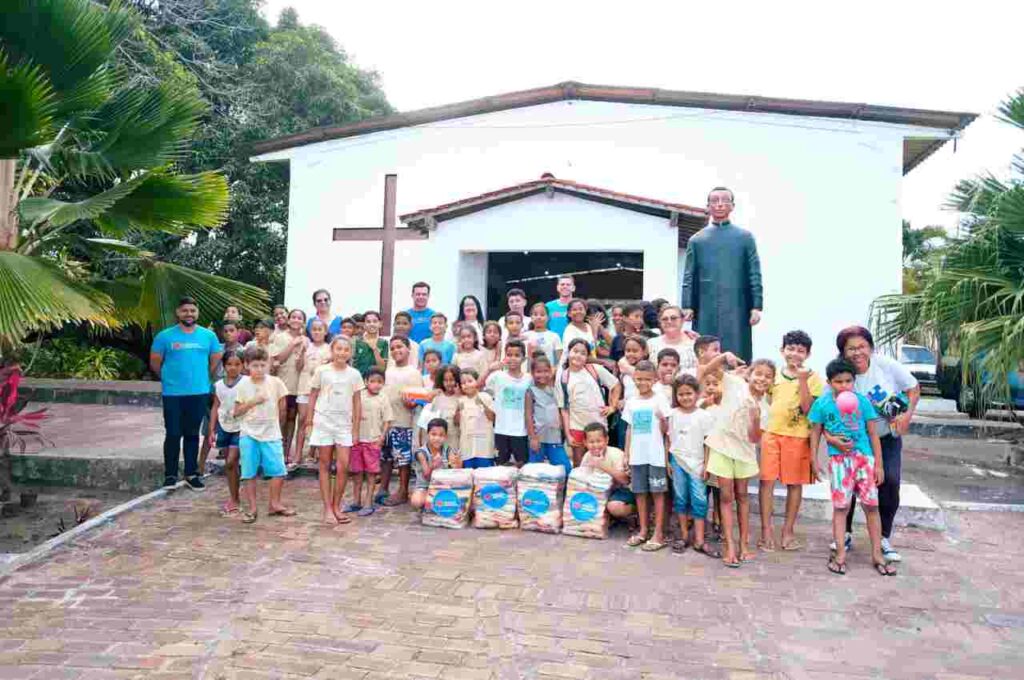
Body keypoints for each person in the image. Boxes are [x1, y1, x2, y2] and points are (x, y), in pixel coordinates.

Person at [836, 326, 920, 563]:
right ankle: (845, 533)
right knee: (849, 483)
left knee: (890, 481)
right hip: (854, 441)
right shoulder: (840, 372)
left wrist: (906, 416)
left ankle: (884, 538)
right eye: (850, 348)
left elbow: (913, 389)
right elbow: (827, 402)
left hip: (887, 437)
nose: (857, 352)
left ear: (870, 348)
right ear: (843, 353)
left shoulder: (886, 366)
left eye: (861, 346)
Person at [810, 358, 895, 576]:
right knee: (841, 508)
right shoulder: (822, 403)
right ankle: (840, 554)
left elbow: (873, 434)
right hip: (839, 462)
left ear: (854, 382)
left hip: (864, 460)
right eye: (838, 382)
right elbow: (816, 432)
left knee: (872, 507)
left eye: (848, 381)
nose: (844, 385)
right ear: (830, 382)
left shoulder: (863, 402)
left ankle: (877, 554)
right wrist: (813, 459)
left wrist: (879, 465)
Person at [680, 187, 764, 362]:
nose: (719, 205)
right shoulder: (697, 240)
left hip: (738, 305)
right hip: (705, 305)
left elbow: (754, 272)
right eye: (715, 201)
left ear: (732, 206)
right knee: (705, 348)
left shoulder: (745, 237)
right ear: (708, 206)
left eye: (724, 200)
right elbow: (689, 275)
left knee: (738, 349)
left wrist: (756, 305)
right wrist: (687, 305)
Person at [149, 296, 223, 491]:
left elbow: (215, 357)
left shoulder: (208, 336)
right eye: (185, 311)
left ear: (197, 313)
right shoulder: (165, 336)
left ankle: (191, 474)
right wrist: (168, 377)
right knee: (173, 433)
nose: (189, 314)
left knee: (191, 434)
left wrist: (204, 376)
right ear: (178, 313)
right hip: (173, 393)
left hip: (198, 392)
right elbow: (155, 361)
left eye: (192, 310)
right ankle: (170, 475)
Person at [759, 330, 823, 552]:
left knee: (794, 484)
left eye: (800, 350)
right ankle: (766, 530)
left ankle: (788, 530)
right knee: (767, 481)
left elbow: (808, 409)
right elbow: (766, 398)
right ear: (782, 350)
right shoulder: (774, 374)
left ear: (808, 354)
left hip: (798, 436)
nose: (795, 354)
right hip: (771, 434)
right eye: (791, 349)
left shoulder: (813, 377)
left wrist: (803, 380)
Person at [703, 361, 761, 568]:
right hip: (721, 448)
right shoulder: (734, 384)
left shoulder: (765, 405)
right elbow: (708, 370)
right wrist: (724, 356)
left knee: (743, 496)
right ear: (749, 374)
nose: (762, 379)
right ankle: (730, 546)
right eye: (758, 374)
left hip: (744, 453)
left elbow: (755, 438)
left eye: (767, 376)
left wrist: (755, 419)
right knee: (726, 497)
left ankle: (744, 545)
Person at [232, 346, 295, 522]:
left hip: (271, 433)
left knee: (278, 470)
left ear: (267, 365)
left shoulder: (276, 382)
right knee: (249, 472)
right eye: (255, 365)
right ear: (246, 366)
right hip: (248, 434)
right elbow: (236, 411)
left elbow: (283, 408)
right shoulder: (243, 384)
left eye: (262, 365)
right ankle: (252, 508)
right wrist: (253, 402)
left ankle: (274, 503)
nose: (259, 369)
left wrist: (278, 428)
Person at [307, 336, 363, 525]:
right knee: (324, 464)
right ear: (332, 351)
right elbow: (313, 395)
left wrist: (355, 429)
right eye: (338, 349)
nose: (342, 353)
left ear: (350, 353)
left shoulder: (354, 374)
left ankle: (337, 505)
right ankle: (327, 509)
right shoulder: (322, 371)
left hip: (343, 425)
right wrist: (309, 421)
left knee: (343, 465)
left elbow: (357, 402)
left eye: (346, 350)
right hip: (323, 421)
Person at [667, 374, 719, 557]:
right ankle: (683, 535)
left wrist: (706, 464)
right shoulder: (672, 415)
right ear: (676, 396)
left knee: (700, 500)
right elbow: (668, 438)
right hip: (678, 461)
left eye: (689, 393)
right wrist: (668, 461)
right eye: (681, 394)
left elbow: (708, 442)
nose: (685, 397)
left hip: (697, 463)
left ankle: (699, 540)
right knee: (680, 498)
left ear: (697, 394)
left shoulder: (704, 416)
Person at [622, 360, 670, 552]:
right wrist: (626, 454)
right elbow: (629, 429)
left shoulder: (660, 399)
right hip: (637, 456)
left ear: (655, 379)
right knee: (640, 493)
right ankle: (643, 530)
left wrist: (663, 420)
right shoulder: (632, 402)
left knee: (658, 494)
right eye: (639, 379)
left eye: (647, 379)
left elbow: (667, 430)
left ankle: (658, 533)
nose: (642, 383)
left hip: (656, 455)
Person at [557, 338, 621, 466]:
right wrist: (568, 434)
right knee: (579, 463)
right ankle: (579, 486)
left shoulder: (595, 369)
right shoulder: (563, 377)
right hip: (576, 426)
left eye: (583, 353)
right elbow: (564, 409)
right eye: (575, 351)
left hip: (598, 424)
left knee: (601, 461)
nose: (578, 355)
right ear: (568, 352)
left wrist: (612, 407)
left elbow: (616, 385)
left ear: (587, 356)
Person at [381, 336, 422, 506]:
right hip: (387, 422)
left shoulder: (413, 373)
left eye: (400, 347)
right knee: (386, 457)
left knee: (403, 459)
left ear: (408, 349)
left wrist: (411, 402)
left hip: (404, 421)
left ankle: (403, 490)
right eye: (393, 348)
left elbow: (417, 400)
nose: (396, 351)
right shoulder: (388, 372)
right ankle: (383, 488)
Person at [350, 367, 392, 517]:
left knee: (371, 473)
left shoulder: (383, 398)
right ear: (366, 382)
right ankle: (356, 501)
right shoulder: (358, 396)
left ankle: (368, 503)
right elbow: (351, 415)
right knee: (357, 472)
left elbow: (387, 420)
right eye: (372, 381)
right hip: (357, 440)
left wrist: (382, 438)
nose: (376, 385)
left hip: (373, 441)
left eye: (380, 382)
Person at [485, 340, 532, 468]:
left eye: (517, 355)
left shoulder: (529, 379)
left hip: (520, 431)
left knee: (521, 465)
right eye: (509, 355)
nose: (513, 358)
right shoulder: (498, 376)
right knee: (501, 465)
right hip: (501, 430)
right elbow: (480, 385)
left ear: (523, 359)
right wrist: (489, 369)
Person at [209, 352, 245, 516]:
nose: (233, 368)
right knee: (229, 464)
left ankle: (236, 498)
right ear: (224, 366)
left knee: (232, 461)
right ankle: (234, 497)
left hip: (241, 426)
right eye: (230, 364)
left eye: (237, 364)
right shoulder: (218, 385)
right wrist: (212, 429)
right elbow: (216, 407)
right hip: (224, 425)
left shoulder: (246, 383)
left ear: (242, 365)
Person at [270, 309, 307, 467]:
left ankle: (286, 452)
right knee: (281, 419)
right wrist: (292, 345)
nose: (296, 320)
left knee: (293, 419)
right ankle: (276, 452)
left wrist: (303, 350)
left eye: (299, 318)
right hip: (282, 383)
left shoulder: (306, 340)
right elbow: (278, 358)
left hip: (298, 385)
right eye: (293, 317)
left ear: (303, 322)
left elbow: (302, 365)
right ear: (289, 319)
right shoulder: (280, 337)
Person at [525, 356, 571, 475]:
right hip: (538, 438)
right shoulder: (531, 391)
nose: (542, 375)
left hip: (554, 437)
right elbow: (528, 416)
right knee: (535, 471)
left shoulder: (556, 389)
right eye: (538, 372)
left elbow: (561, 411)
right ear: (532, 373)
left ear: (551, 371)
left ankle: (562, 490)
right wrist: (533, 437)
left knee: (565, 467)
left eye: (546, 371)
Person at [580, 422, 635, 521]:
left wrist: (603, 465)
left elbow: (626, 480)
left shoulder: (616, 454)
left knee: (615, 507)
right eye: (591, 442)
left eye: (599, 441)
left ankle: (634, 512)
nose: (595, 445)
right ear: (585, 443)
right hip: (598, 491)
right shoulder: (587, 456)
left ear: (606, 440)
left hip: (621, 491)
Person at [296, 318, 332, 463]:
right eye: (314, 329)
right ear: (310, 331)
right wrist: (302, 352)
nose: (317, 332)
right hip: (305, 388)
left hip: (322, 391)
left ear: (325, 331)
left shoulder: (329, 348)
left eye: (320, 329)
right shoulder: (305, 346)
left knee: (318, 421)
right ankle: (298, 454)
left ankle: (312, 453)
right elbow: (298, 367)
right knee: (303, 420)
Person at [410, 419, 462, 510]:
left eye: (441, 435)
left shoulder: (448, 450)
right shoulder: (421, 453)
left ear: (445, 436)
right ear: (428, 434)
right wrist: (433, 466)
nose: (437, 438)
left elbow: (456, 471)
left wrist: (457, 463)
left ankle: (436, 502)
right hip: (425, 486)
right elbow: (426, 476)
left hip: (444, 485)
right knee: (417, 501)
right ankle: (433, 501)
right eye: (433, 434)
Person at [455, 369, 496, 469]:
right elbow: (456, 423)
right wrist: (457, 410)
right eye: (463, 383)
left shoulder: (485, 397)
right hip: (467, 448)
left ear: (477, 381)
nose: (467, 385)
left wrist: (482, 404)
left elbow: (493, 418)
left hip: (484, 448)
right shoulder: (460, 400)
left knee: (483, 476)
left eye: (470, 381)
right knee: (469, 476)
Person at [419, 364, 461, 452]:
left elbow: (458, 421)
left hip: (453, 439)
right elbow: (425, 419)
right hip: (436, 440)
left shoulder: (460, 398)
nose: (449, 383)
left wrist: (459, 398)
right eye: (445, 380)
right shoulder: (437, 396)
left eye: (452, 380)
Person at [648, 305, 698, 376]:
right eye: (665, 319)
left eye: (673, 318)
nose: (669, 321)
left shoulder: (694, 344)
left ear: (682, 320)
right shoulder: (651, 344)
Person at [524, 302, 563, 367]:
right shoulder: (525, 336)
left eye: (542, 315)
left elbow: (560, 361)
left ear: (548, 317)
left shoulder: (554, 336)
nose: (539, 317)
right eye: (535, 315)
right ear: (531, 317)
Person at [353, 310, 388, 377]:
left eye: (375, 321)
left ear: (380, 324)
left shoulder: (384, 343)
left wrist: (375, 349)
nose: (372, 324)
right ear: (364, 325)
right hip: (359, 380)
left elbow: (382, 368)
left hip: (376, 381)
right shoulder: (357, 342)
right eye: (368, 322)